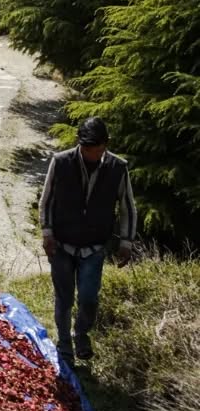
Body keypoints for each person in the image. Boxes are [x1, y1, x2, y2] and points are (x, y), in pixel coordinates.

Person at [38, 116, 136, 365]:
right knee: (64, 297)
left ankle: (81, 334)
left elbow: (127, 207)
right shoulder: (61, 162)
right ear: (79, 144)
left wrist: (126, 242)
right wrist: (47, 233)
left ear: (106, 144)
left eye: (97, 149)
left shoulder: (117, 168)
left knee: (89, 298)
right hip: (62, 243)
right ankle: (64, 343)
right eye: (86, 149)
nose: (91, 154)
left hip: (94, 246)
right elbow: (47, 200)